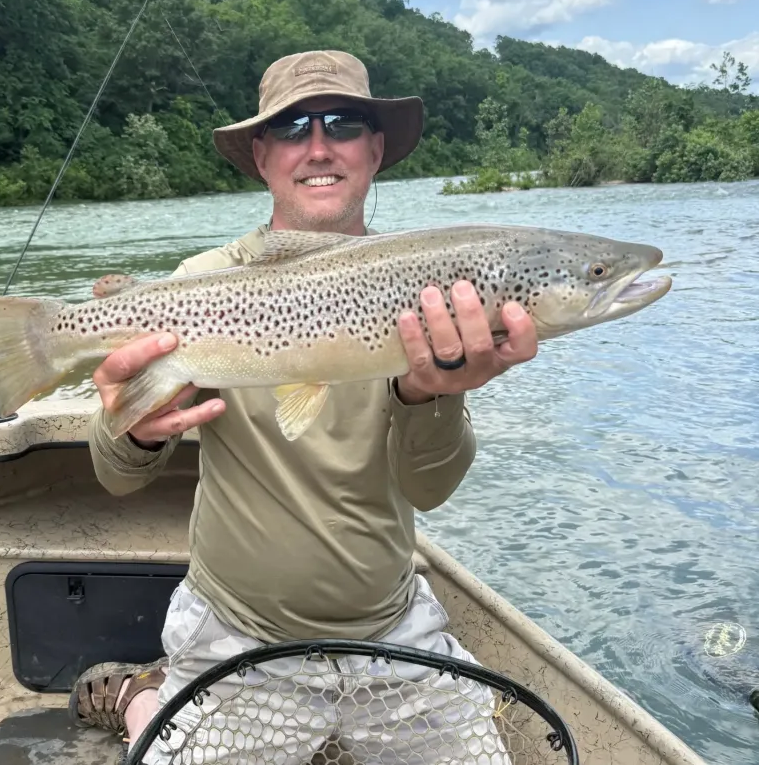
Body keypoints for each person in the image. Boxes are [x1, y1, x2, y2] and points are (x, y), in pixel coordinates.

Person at [69, 50, 538, 763]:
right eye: (292, 129)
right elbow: (118, 478)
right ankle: (143, 698)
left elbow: (429, 490)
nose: (318, 147)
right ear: (262, 155)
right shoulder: (202, 287)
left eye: (343, 124)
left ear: (375, 148)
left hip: (392, 630)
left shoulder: (432, 287)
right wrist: (130, 435)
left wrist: (430, 397)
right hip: (233, 628)